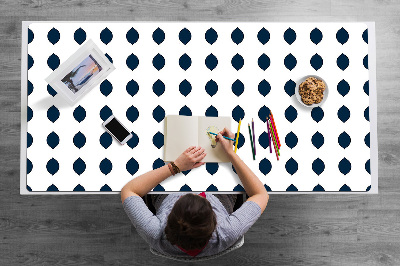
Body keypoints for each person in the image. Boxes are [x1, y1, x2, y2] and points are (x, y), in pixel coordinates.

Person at [121, 128, 269, 258]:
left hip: (165, 195)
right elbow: (261, 194)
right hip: (221, 198)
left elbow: (128, 190)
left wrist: (175, 166)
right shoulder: (227, 232)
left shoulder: (155, 233)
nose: (197, 193)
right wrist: (230, 153)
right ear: (215, 223)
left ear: (169, 219)